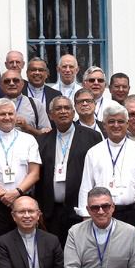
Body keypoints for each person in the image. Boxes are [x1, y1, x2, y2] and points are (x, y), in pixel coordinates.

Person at [75, 101, 135, 234]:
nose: (116, 125)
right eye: (111, 122)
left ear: (127, 124)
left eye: (120, 122)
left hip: (133, 214)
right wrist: (86, 218)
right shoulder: (94, 152)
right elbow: (86, 186)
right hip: (101, 214)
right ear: (104, 125)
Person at [39, 94, 102, 239]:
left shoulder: (92, 137)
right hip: (51, 211)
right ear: (51, 114)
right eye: (58, 108)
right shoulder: (42, 140)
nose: (63, 111)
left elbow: (97, 173)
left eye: (67, 108)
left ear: (73, 113)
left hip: (80, 210)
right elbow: (39, 178)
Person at [0, 97, 42, 238]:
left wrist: (16, 193)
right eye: (2, 114)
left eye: (10, 114)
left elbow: (34, 173)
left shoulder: (29, 140)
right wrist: (4, 195)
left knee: (27, 241)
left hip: (24, 200)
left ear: (16, 115)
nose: (7, 117)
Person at [22, 58, 59, 132]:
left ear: (46, 74)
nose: (37, 73)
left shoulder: (55, 94)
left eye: (41, 70)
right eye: (33, 70)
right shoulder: (20, 92)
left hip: (48, 138)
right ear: (27, 73)